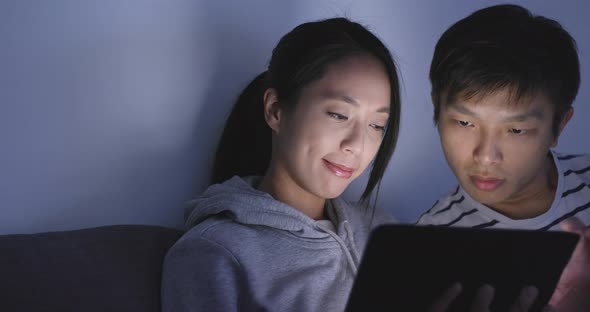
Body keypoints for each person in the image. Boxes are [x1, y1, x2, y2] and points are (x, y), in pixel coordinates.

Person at [161, 17, 400, 312]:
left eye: (377, 125)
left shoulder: (383, 231)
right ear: (275, 111)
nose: (357, 144)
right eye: (339, 115)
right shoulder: (214, 253)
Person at [417, 4, 590, 310]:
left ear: (559, 125)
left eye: (516, 130)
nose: (485, 157)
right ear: (437, 109)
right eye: (465, 123)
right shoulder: (428, 247)